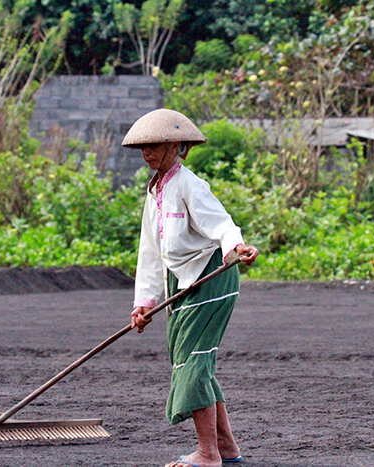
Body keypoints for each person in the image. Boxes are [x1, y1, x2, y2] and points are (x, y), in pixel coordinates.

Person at [123, 108, 259, 467]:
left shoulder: (190, 184)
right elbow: (151, 253)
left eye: (153, 146)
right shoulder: (155, 193)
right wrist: (144, 303)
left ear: (175, 146)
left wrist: (237, 248)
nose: (146, 153)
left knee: (192, 362)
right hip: (181, 283)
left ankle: (207, 454)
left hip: (212, 276)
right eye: (143, 148)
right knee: (194, 361)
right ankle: (226, 448)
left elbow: (222, 224)